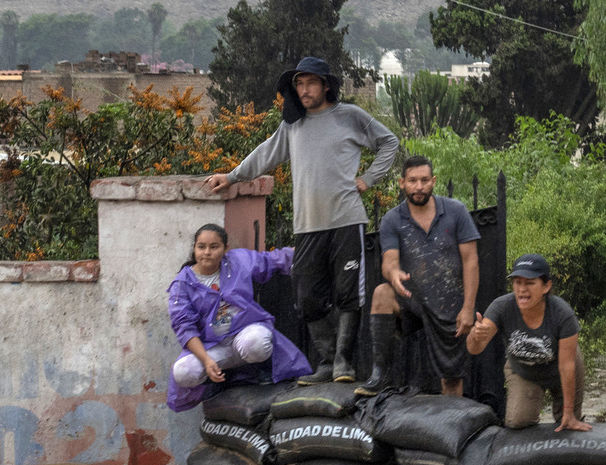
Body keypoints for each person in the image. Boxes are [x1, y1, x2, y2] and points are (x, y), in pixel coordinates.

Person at [205, 57, 399, 385]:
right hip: (307, 225)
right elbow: (266, 153)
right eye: (299, 83)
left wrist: (368, 178)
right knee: (307, 295)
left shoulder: (349, 116)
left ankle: (343, 362)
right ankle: (325, 360)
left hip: (346, 220)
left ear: (326, 85)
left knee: (348, 293)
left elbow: (389, 142)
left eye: (310, 82)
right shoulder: (293, 126)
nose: (304, 89)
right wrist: (233, 176)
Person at [355, 156, 479, 398]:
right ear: (402, 183)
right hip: (410, 298)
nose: (419, 186)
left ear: (433, 181)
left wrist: (468, 308)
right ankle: (380, 374)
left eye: (424, 180)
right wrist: (394, 274)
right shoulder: (392, 219)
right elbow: (389, 260)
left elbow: (471, 261)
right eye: (412, 180)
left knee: (452, 381)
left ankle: (451, 424)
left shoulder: (456, 211)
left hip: (449, 304)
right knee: (381, 293)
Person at [166, 224, 311, 412]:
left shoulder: (238, 261)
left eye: (214, 247)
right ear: (194, 249)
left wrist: (309, 247)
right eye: (201, 247)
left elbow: (271, 260)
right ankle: (216, 384)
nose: (207, 252)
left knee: (257, 343)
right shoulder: (182, 284)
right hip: (212, 348)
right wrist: (207, 361)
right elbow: (184, 328)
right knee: (183, 372)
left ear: (226, 249)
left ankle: (260, 372)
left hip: (245, 335)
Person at [467, 254, 591, 432]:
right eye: (517, 282)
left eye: (530, 283)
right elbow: (474, 349)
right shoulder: (501, 307)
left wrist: (569, 412)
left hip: (562, 366)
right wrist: (475, 336)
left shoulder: (563, 314)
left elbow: (567, 365)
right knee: (516, 422)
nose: (522, 289)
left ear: (546, 286)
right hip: (523, 370)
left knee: (567, 423)